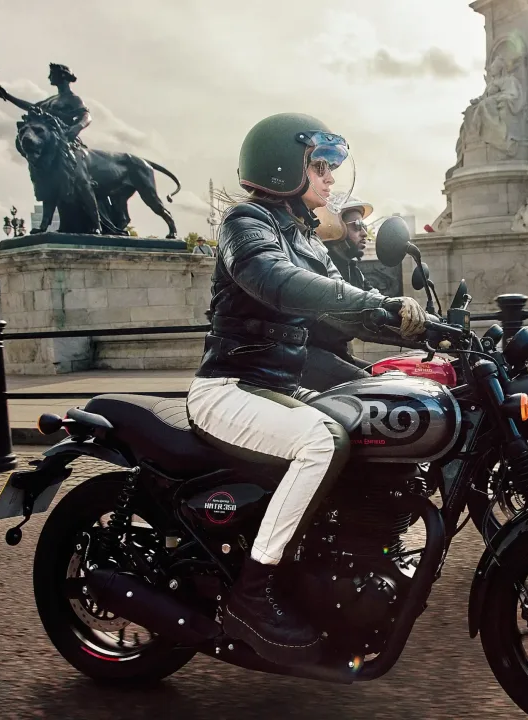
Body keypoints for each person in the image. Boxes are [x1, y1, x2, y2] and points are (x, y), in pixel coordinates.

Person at [186, 112, 427, 666]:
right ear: (283, 167)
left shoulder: (305, 237)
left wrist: (419, 327)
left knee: (377, 412)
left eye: (329, 167)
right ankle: (252, 595)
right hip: (230, 387)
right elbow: (276, 280)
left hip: (276, 388)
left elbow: (341, 309)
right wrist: (376, 303)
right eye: (319, 166)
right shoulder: (246, 223)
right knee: (322, 441)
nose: (330, 178)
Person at [301, 198, 377, 390]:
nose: (364, 233)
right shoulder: (320, 265)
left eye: (364, 226)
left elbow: (375, 299)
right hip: (309, 354)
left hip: (336, 353)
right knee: (374, 389)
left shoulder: (352, 269)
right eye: (357, 226)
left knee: (392, 376)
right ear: (333, 227)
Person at [0, 63, 91, 147]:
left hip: (61, 138)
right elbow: (31, 107)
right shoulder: (51, 99)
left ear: (62, 75)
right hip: (47, 137)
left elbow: (86, 116)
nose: (49, 77)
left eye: (52, 74)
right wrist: (7, 96)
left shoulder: (73, 99)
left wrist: (78, 127)